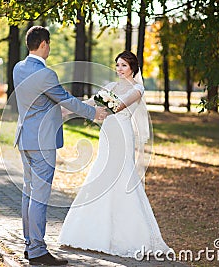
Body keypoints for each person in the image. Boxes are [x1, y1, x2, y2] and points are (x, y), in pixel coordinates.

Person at [59, 51, 171, 258]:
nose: (119, 69)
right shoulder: (110, 87)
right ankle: (88, 234)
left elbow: (118, 106)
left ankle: (130, 235)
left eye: (124, 66)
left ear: (133, 68)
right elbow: (93, 101)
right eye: (117, 65)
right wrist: (70, 110)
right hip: (107, 135)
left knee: (121, 177)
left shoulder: (138, 89)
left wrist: (99, 109)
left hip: (122, 136)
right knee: (100, 175)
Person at [13, 26, 108, 266]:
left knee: (29, 193)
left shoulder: (18, 68)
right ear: (43, 44)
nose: (50, 48)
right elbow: (65, 99)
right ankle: (37, 250)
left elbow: (41, 103)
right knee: (40, 196)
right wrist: (93, 112)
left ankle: (29, 244)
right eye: (50, 44)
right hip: (42, 143)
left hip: (24, 138)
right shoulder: (46, 74)